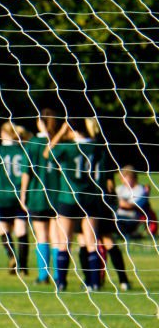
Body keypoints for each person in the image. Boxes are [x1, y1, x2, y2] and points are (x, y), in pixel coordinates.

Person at [48, 117, 104, 291]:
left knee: (65, 241)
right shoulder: (96, 147)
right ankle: (94, 283)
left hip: (68, 198)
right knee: (91, 242)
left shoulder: (67, 147)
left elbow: (47, 154)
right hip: (90, 197)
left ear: (70, 129)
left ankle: (62, 282)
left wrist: (60, 133)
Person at [87, 119, 133, 291]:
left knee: (88, 240)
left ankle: (92, 282)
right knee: (107, 240)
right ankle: (123, 280)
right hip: (102, 200)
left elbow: (108, 181)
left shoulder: (85, 148)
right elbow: (110, 182)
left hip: (90, 200)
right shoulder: (103, 148)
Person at [0, 122, 29, 275]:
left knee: (3, 228)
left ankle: (12, 256)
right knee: (21, 229)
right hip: (20, 195)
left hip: (3, 196)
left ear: (3, 133)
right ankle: (23, 266)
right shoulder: (23, 150)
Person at [20, 109, 59, 284]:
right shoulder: (59, 142)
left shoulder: (33, 143)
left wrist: (22, 195)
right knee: (57, 237)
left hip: (37, 196)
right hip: (58, 195)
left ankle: (43, 275)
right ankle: (59, 275)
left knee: (41, 235)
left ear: (39, 121)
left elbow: (26, 172)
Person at [116, 165, 155, 238]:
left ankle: (131, 234)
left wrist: (118, 202)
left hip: (132, 218)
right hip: (117, 215)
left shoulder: (140, 190)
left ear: (133, 177)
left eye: (125, 177)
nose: (122, 180)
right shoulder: (120, 188)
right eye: (122, 177)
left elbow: (130, 205)